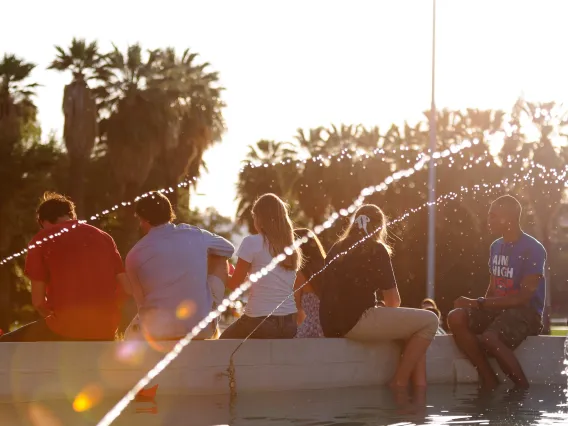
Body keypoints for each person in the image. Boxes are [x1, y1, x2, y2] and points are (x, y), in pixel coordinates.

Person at [319, 204, 439, 388]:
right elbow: (393, 302)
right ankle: (399, 383)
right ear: (379, 227)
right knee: (429, 321)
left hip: (331, 325)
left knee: (414, 330)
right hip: (356, 322)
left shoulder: (337, 248)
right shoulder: (376, 249)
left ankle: (419, 389)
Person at [0, 192, 130, 342]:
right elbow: (127, 288)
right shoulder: (104, 237)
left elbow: (38, 302)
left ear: (43, 222)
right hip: (106, 328)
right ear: (73, 216)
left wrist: (61, 318)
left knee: (5, 344)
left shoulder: (43, 239)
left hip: (65, 327)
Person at [447, 195, 546, 389]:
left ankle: (522, 391)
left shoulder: (533, 249)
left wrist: (477, 303)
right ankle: (489, 380)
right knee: (456, 317)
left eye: (493, 216)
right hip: (499, 308)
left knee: (490, 338)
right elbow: (493, 288)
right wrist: (478, 307)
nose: (488, 220)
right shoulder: (495, 247)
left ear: (507, 219)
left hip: (527, 313)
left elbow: (523, 298)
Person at [124, 191, 234, 342]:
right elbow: (228, 249)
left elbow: (141, 302)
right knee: (220, 258)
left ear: (143, 220)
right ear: (170, 213)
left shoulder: (134, 255)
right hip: (201, 329)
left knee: (128, 333)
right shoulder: (195, 234)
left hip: (156, 332)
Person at [220, 193, 301, 339]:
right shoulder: (291, 247)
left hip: (259, 322)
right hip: (290, 323)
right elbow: (271, 284)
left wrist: (221, 271)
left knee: (222, 343)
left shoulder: (252, 242)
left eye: (255, 217)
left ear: (261, 220)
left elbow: (234, 285)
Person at [294, 228, 326, 338]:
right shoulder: (327, 268)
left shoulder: (300, 274)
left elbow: (297, 311)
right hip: (329, 327)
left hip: (311, 329)